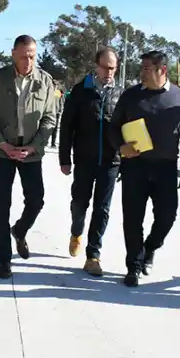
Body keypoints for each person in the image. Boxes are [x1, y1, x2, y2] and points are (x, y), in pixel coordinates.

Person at [109, 50, 180, 287]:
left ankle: (151, 247)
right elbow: (113, 127)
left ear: (162, 70)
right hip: (134, 168)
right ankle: (133, 267)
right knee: (132, 219)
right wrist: (120, 147)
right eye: (142, 69)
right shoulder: (131, 96)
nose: (142, 74)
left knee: (167, 216)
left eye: (147, 69)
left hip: (166, 169)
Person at [0, 34, 57, 279]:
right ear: (13, 53)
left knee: (36, 201)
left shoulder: (45, 81)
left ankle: (20, 230)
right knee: (0, 208)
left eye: (32, 56)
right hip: (2, 152)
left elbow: (49, 118)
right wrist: (2, 144)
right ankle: (4, 260)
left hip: (31, 154)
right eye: (24, 56)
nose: (28, 60)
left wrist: (34, 146)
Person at [59, 48, 122, 276]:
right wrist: (64, 158)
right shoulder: (80, 91)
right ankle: (76, 231)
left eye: (113, 68)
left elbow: (126, 128)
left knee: (102, 209)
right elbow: (67, 126)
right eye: (105, 67)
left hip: (111, 162)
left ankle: (93, 255)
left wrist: (125, 158)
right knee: (80, 204)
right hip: (84, 160)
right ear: (96, 66)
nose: (109, 72)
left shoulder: (120, 94)